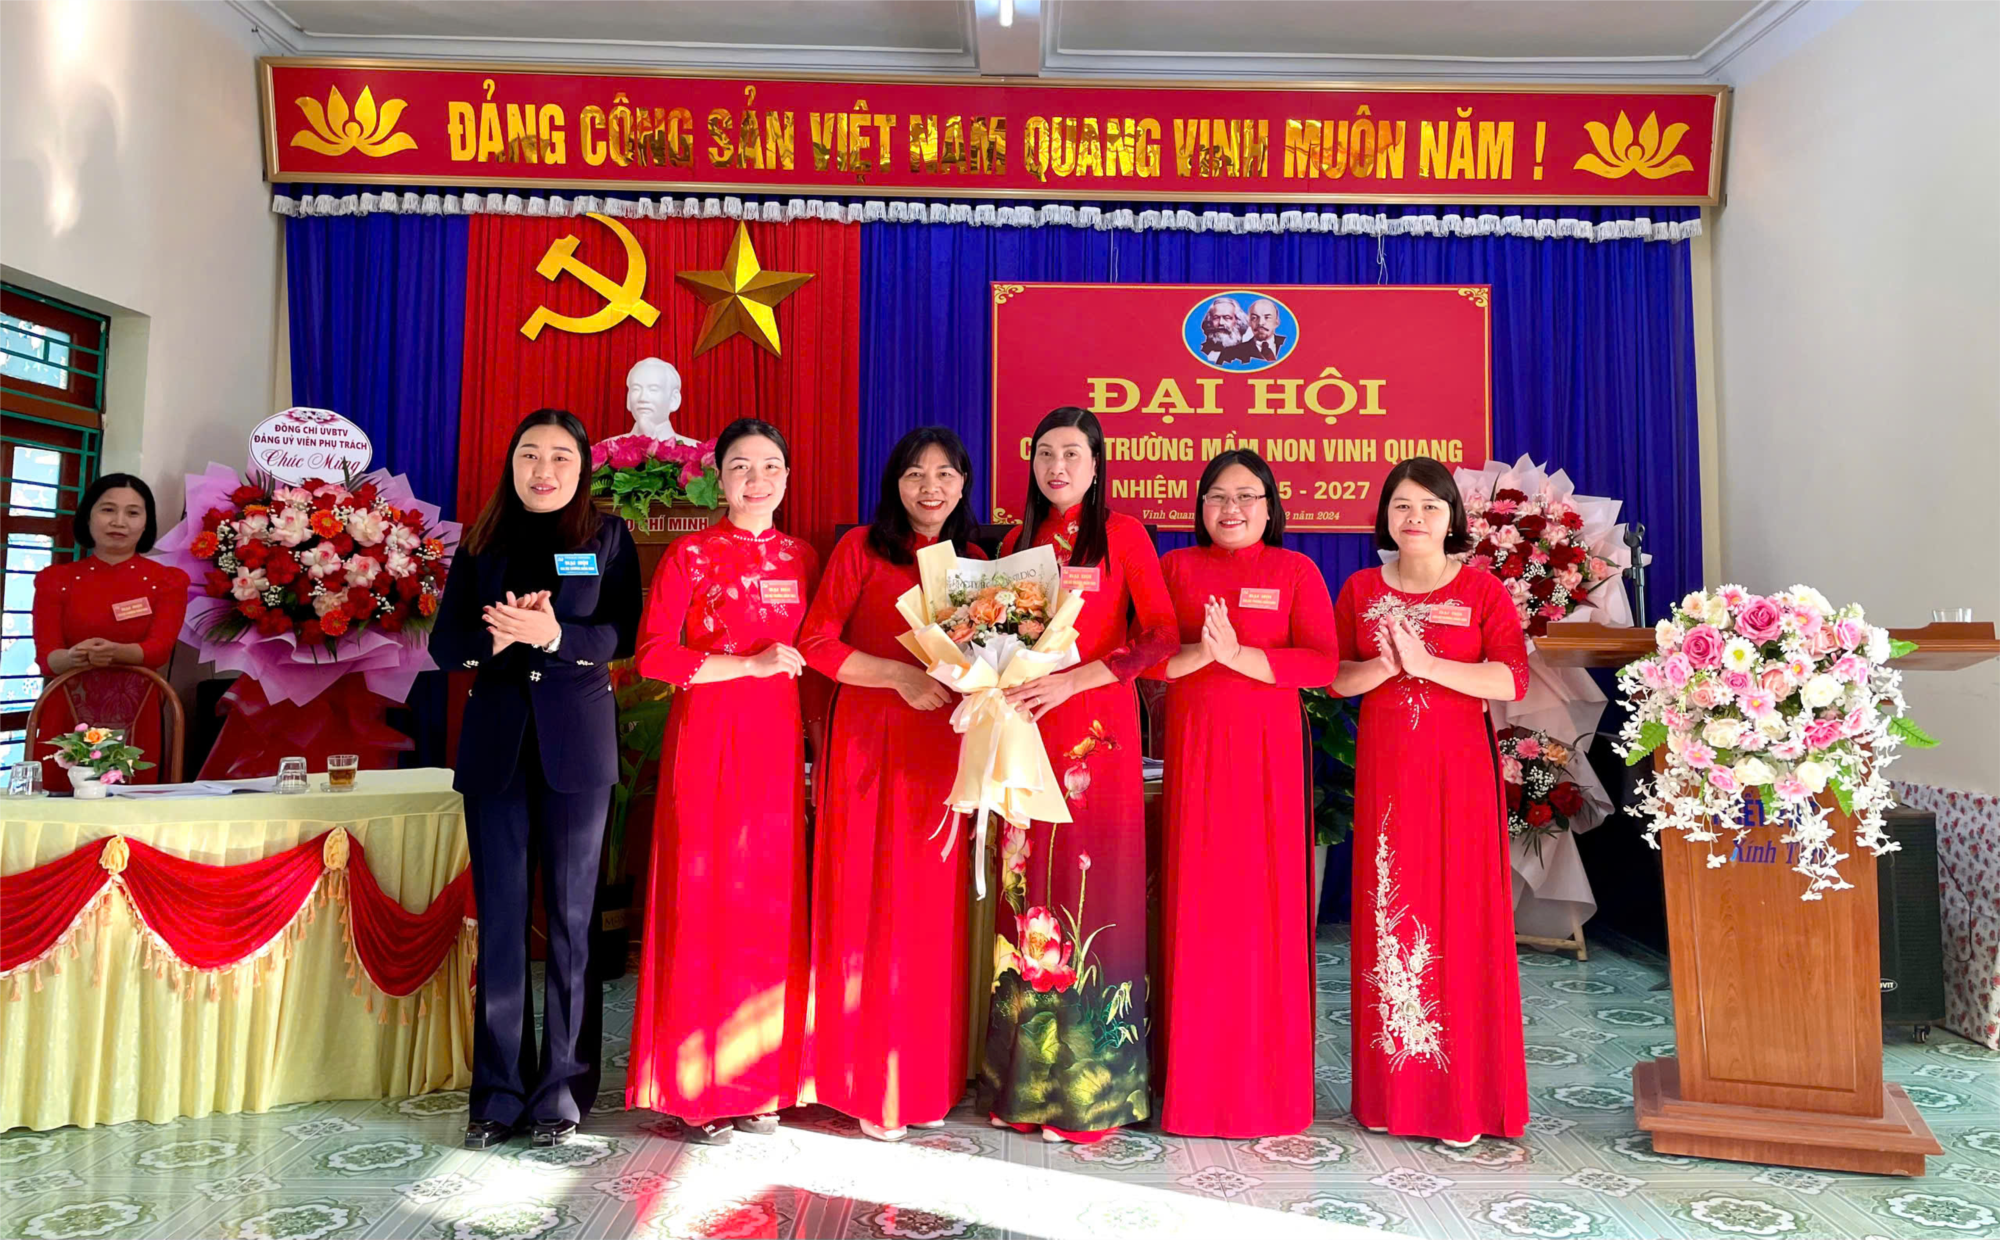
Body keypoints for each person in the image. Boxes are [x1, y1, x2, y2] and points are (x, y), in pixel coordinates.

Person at [430, 408, 641, 1151]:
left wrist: (554, 635)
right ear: (511, 463)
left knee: (574, 923)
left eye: (559, 456)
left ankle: (563, 1091)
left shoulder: (606, 536)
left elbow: (622, 632)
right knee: (502, 921)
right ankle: (498, 1093)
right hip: (496, 749)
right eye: (529, 454)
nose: (543, 470)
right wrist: (494, 639)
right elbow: (445, 645)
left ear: (581, 467)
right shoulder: (481, 540)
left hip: (576, 748)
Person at [980, 406, 1177, 1143]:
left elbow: (1159, 635)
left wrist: (1077, 679)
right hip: (1025, 732)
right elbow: (994, 644)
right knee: (1027, 894)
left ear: (1096, 464)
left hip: (1096, 733)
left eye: (1072, 454)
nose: (1057, 467)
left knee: (1095, 892)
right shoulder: (1013, 544)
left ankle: (1093, 1097)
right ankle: (1024, 1085)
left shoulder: (1123, 535)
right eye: (1044, 454)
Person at [627, 417, 820, 1146]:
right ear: (719, 478)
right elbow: (654, 656)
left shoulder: (804, 557)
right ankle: (695, 1087)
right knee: (703, 899)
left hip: (777, 748)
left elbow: (819, 654)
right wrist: (749, 665)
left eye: (770, 466)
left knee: (768, 903)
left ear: (787, 477)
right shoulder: (691, 553)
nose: (756, 479)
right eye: (741, 466)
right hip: (707, 742)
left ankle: (760, 1081)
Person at [1330, 456, 1530, 1146]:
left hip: (1460, 776)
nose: (1414, 518)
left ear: (1452, 519)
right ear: (1385, 517)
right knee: (1393, 910)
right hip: (1388, 777)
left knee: (1461, 917)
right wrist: (1384, 667)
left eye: (1429, 507)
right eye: (1402, 506)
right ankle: (1395, 1095)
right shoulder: (1360, 588)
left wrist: (1427, 665)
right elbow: (1336, 679)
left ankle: (1462, 1101)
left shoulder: (1480, 590)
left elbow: (1511, 679)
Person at [798, 427, 985, 1142]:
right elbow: (818, 643)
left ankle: (928, 1076)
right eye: (914, 474)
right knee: (867, 905)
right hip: (869, 747)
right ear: (894, 483)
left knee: (932, 917)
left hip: (943, 748)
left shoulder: (979, 564)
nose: (930, 488)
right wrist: (898, 676)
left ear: (964, 485)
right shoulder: (860, 549)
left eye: (945, 475)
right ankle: (863, 1081)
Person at [1151, 450, 1339, 1137]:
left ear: (1269, 506)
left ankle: (1267, 1088)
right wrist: (1203, 655)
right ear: (1199, 506)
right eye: (1217, 497)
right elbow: (1150, 661)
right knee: (1196, 902)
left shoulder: (1295, 571)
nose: (1231, 509)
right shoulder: (1176, 568)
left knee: (1263, 907)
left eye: (1246, 496)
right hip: (1196, 755)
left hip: (1267, 760)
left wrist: (1239, 658)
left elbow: (1321, 663)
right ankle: (1193, 1087)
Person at [32, 474, 190, 792]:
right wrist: (74, 656)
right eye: (107, 510)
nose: (119, 522)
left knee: (130, 806)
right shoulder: (56, 579)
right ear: (88, 516)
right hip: (66, 711)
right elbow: (47, 659)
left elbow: (159, 650)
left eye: (133, 512)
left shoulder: (167, 581)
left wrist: (114, 652)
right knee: (60, 802)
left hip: (137, 713)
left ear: (146, 523)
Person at [1218, 298, 1288, 365]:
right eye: (1254, 318)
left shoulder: (1289, 344)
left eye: (1267, 317)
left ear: (1277, 322)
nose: (1260, 323)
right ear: (1249, 322)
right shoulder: (1229, 354)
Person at [1198, 296, 1247, 361]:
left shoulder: (1247, 354)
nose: (1221, 323)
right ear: (1210, 321)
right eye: (1216, 318)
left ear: (1238, 321)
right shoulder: (1201, 350)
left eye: (1227, 317)